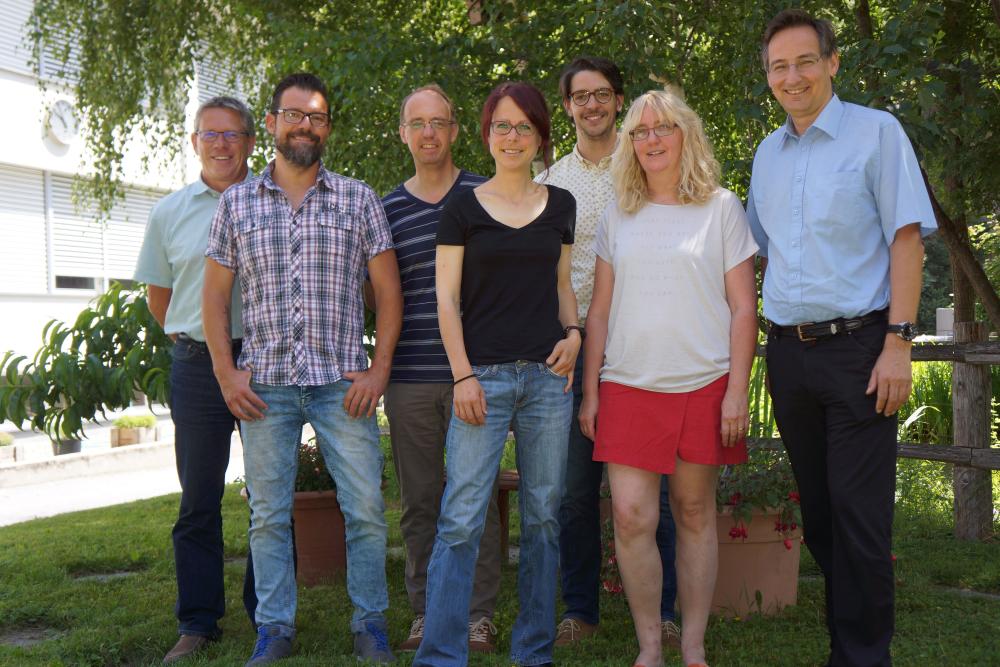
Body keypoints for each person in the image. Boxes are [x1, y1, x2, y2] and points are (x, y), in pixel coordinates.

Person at [747, 10, 936, 666]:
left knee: (860, 515)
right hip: (788, 354)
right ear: (768, 76)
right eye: (779, 66)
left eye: (805, 61)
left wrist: (899, 343)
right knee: (823, 516)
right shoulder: (766, 155)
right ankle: (847, 646)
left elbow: (906, 239)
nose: (792, 76)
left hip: (861, 350)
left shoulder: (876, 133)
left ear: (831, 62)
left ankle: (863, 657)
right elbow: (760, 253)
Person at [203, 72, 402, 666]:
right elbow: (214, 299)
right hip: (264, 384)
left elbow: (389, 294)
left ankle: (370, 623)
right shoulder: (236, 203)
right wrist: (226, 374)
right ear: (271, 123)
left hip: (344, 382)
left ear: (327, 128)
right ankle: (274, 628)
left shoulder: (358, 199)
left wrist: (379, 371)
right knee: (267, 516)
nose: (304, 125)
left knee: (366, 509)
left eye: (315, 117)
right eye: (293, 115)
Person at [579, 90, 758, 667]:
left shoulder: (722, 208)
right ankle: (650, 646)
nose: (651, 139)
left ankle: (694, 646)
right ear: (630, 144)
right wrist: (591, 391)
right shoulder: (619, 213)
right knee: (631, 516)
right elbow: (599, 312)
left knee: (694, 511)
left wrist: (736, 391)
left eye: (664, 128)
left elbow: (743, 308)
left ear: (687, 135)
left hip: (703, 383)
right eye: (640, 131)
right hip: (628, 384)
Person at [413, 81, 580, 667]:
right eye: (502, 126)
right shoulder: (461, 208)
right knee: (460, 519)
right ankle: (440, 654)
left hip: (548, 383)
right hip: (481, 380)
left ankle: (533, 651)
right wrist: (462, 377)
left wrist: (575, 335)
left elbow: (563, 287)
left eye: (524, 126)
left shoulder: (561, 205)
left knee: (543, 520)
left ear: (540, 136)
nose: (513, 136)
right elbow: (445, 299)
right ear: (486, 135)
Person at [538, 56, 681, 650]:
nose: (592, 105)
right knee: (574, 491)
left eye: (602, 94)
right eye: (580, 96)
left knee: (656, 493)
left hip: (642, 351)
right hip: (572, 354)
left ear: (619, 101)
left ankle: (665, 611)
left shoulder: (648, 166)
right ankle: (580, 608)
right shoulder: (549, 184)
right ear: (567, 107)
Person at [134, 95, 259, 664]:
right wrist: (205, 344)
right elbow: (161, 298)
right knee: (198, 500)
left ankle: (269, 614)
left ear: (250, 142)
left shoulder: (274, 201)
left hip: (263, 362)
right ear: (194, 142)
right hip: (196, 365)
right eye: (210, 134)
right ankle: (198, 621)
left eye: (232, 134)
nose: (221, 144)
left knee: (269, 497)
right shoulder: (169, 212)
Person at [380, 84, 503, 653]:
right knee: (421, 502)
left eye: (439, 122)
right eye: (417, 124)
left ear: (454, 131)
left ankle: (478, 615)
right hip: (409, 377)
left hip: (477, 377)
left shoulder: (486, 195)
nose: (428, 133)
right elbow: (378, 294)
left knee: (476, 499)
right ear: (403, 134)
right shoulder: (386, 210)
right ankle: (426, 612)